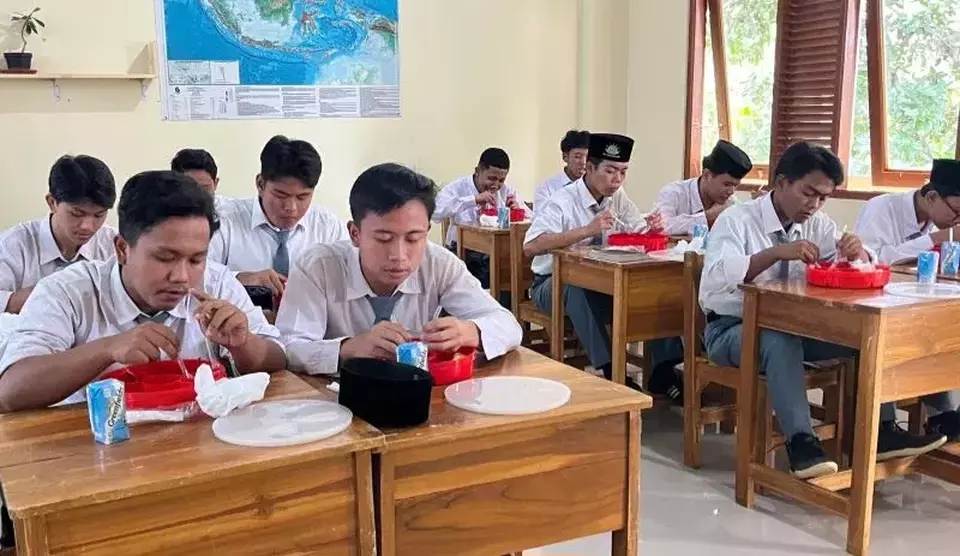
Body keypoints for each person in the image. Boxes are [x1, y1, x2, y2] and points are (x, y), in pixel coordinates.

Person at [701, 141, 946, 479]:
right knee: (777, 337)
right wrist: (775, 254)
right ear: (782, 182)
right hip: (729, 330)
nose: (814, 204)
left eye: (824, 197)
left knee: (863, 339)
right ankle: (802, 442)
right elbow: (715, 283)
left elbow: (849, 267)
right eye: (808, 192)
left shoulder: (819, 225)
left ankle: (884, 431)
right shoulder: (737, 220)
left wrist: (856, 254)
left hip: (798, 329)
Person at [0, 171, 287, 412]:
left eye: (196, 259)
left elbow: (276, 358)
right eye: (164, 258)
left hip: (198, 445)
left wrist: (242, 343)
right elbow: (12, 389)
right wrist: (107, 349)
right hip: (96, 452)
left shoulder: (216, 282)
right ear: (122, 249)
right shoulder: (69, 291)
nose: (182, 276)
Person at [277, 163, 522, 375]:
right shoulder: (317, 267)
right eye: (384, 238)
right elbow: (289, 348)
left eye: (414, 238)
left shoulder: (439, 263)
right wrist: (349, 348)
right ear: (355, 234)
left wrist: (471, 331)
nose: (399, 256)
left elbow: (507, 324)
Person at [523, 133, 664, 389]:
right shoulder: (563, 200)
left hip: (602, 285)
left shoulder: (617, 196)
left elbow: (636, 229)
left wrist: (652, 229)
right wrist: (586, 230)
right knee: (576, 289)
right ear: (589, 168)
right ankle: (610, 369)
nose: (617, 180)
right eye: (610, 171)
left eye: (623, 172)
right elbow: (531, 246)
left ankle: (664, 371)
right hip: (550, 286)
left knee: (654, 290)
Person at [855, 158, 960, 440]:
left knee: (939, 330)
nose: (957, 219)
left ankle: (943, 417)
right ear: (932, 196)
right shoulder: (883, 207)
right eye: (957, 211)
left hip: (905, 304)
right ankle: (884, 428)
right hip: (866, 309)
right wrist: (939, 237)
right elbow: (873, 258)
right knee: (900, 335)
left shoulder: (933, 219)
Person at [208, 135, 348, 296]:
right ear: (260, 184)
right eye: (281, 195)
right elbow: (199, 276)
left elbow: (349, 275)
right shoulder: (225, 221)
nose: (291, 208)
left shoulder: (327, 226)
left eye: (302, 197)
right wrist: (241, 278)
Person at [0, 155, 117, 315]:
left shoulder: (115, 244)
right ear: (52, 202)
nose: (88, 227)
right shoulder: (13, 244)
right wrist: (39, 297)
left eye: (99, 215)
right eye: (77, 213)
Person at [432, 148, 531, 302]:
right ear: (478, 171)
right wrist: (474, 200)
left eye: (501, 180)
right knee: (488, 274)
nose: (496, 185)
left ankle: (505, 317)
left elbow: (534, 219)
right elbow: (435, 212)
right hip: (462, 254)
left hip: (496, 256)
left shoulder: (507, 191)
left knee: (513, 271)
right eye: (491, 179)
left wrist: (518, 210)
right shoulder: (457, 188)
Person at [657, 140, 753, 235]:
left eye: (735, 186)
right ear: (706, 175)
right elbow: (659, 227)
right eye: (726, 184)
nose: (731, 192)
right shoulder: (674, 193)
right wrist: (708, 216)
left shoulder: (731, 204)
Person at [171, 148, 240, 216]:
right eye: (189, 188)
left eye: (204, 188)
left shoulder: (235, 214)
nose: (197, 195)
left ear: (215, 184)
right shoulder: (163, 216)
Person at [534, 130, 591, 213]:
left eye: (588, 157)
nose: (583, 162)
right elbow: (541, 222)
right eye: (578, 157)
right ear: (565, 157)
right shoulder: (547, 188)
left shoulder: (595, 187)